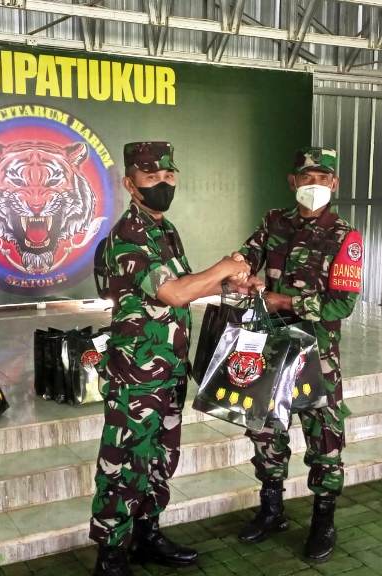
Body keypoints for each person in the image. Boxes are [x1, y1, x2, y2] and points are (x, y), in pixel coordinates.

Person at [90, 141, 250, 576]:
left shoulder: (166, 230)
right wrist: (222, 267)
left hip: (170, 367)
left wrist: (232, 285)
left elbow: (188, 285)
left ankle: (147, 534)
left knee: (160, 457)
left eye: (168, 175)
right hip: (136, 373)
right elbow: (175, 293)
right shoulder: (128, 236)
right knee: (125, 462)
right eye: (151, 176)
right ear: (130, 184)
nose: (162, 183)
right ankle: (111, 555)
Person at [232, 146, 363, 562]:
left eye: (323, 178)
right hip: (271, 348)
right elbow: (247, 256)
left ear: (334, 183)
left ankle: (323, 520)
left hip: (317, 355)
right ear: (293, 182)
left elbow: (342, 304)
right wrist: (240, 274)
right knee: (266, 432)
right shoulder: (275, 222)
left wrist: (283, 301)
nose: (315, 184)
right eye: (307, 178)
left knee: (324, 438)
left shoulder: (345, 236)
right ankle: (271, 510)